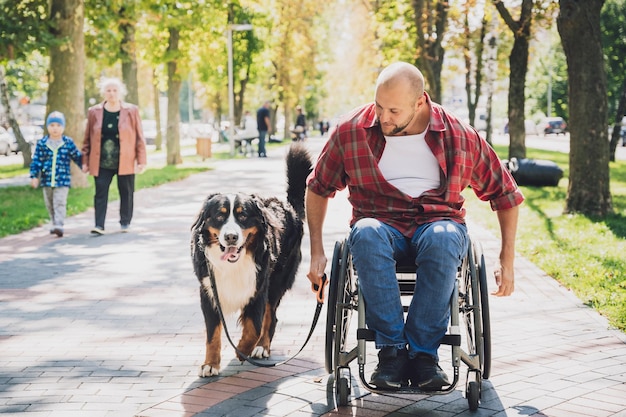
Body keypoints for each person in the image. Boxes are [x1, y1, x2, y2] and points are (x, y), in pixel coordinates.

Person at [305, 62, 524, 391]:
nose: (383, 117)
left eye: (393, 110)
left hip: (437, 222)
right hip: (379, 224)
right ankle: (391, 353)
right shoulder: (351, 130)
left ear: (421, 101)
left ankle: (423, 355)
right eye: (379, 106)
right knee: (364, 232)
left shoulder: (459, 136)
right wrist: (317, 253)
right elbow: (318, 186)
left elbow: (504, 192)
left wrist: (506, 259)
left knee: (445, 236)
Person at [82, 77, 147, 235]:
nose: (111, 93)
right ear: (103, 93)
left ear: (120, 92)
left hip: (125, 159)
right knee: (100, 192)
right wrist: (85, 161)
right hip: (101, 161)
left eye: (115, 90)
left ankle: (125, 222)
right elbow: (87, 139)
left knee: (126, 192)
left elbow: (139, 136)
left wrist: (141, 160)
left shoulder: (131, 111)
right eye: (108, 90)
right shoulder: (94, 112)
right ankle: (99, 225)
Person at [29, 111, 82, 238]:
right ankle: (54, 223)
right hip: (47, 180)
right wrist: (34, 176)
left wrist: (85, 166)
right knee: (50, 203)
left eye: (58, 125)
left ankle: (59, 224)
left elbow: (77, 156)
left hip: (62, 180)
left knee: (59, 201)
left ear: (63, 127)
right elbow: (37, 160)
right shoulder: (42, 143)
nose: (55, 128)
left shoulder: (67, 142)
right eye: (52, 125)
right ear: (47, 127)